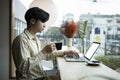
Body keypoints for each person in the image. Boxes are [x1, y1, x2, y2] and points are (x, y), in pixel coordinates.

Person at [12, 7, 79, 80]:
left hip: (40, 76)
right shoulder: (21, 40)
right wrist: (43, 51)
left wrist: (65, 52)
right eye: (43, 22)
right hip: (34, 78)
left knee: (65, 76)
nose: (45, 25)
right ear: (33, 21)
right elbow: (23, 68)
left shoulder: (35, 39)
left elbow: (46, 55)